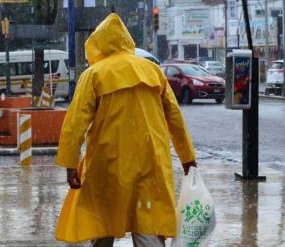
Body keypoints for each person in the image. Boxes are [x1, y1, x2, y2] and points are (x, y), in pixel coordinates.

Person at [55, 13, 197, 247]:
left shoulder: (94, 75)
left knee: (102, 223)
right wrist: (188, 159)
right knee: (148, 223)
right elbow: (175, 118)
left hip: (108, 164)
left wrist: (71, 165)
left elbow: (75, 123)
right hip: (151, 162)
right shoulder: (153, 71)